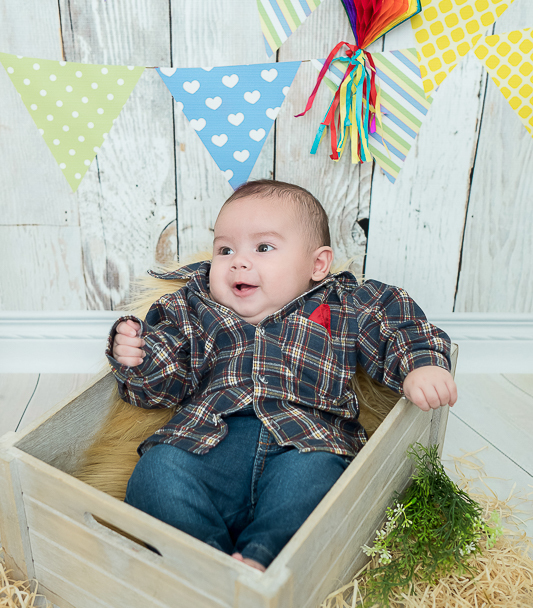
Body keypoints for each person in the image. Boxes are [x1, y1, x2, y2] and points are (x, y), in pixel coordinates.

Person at [106, 180, 456, 572]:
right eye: (225, 249)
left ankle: (264, 559)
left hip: (306, 442)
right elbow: (161, 388)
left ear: (317, 265)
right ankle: (211, 566)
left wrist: (421, 364)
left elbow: (397, 323)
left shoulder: (343, 301)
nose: (238, 261)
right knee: (157, 471)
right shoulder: (195, 306)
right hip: (213, 443)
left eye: (263, 247)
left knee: (321, 484)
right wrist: (138, 356)